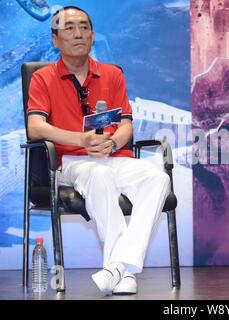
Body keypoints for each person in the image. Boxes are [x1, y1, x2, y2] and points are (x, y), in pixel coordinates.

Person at [27, 6, 171, 295]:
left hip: (113, 156)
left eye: (83, 27)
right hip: (72, 161)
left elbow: (126, 126)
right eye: (69, 28)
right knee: (100, 175)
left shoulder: (112, 74)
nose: (78, 33)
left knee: (159, 178)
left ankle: (119, 269)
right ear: (55, 39)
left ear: (93, 35)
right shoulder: (43, 78)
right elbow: (35, 128)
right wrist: (82, 140)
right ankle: (125, 270)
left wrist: (114, 142)